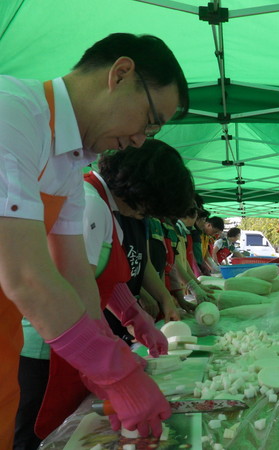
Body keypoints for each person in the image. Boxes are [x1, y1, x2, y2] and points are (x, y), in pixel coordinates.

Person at [0, 32, 188, 447]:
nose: (141, 139)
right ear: (120, 74)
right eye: (150, 121)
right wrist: (113, 371)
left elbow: (75, 275)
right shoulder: (10, 114)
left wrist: (110, 347)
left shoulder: (68, 160)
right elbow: (25, 275)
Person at [16, 140, 195, 446]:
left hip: (75, 338)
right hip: (49, 348)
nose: (145, 217)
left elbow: (101, 278)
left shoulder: (106, 208)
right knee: (40, 436)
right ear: (143, 193)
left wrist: (133, 316)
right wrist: (112, 365)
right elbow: (71, 288)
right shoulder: (90, 204)